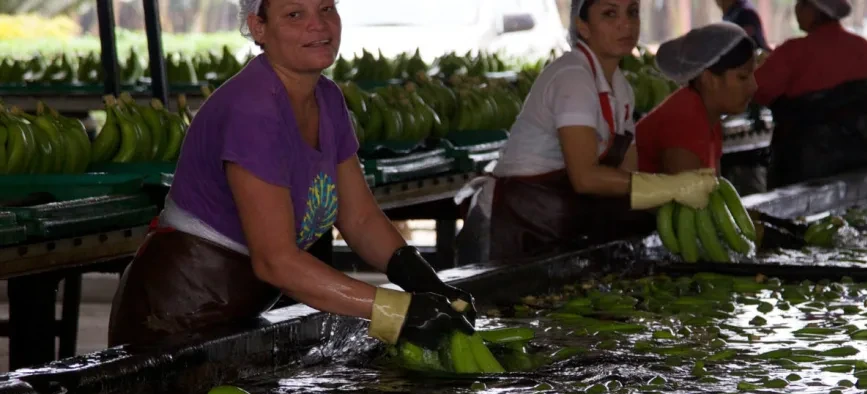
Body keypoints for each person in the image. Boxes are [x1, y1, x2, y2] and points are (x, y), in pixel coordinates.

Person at [108, 0, 475, 349]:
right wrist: (398, 313)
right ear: (258, 28)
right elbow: (276, 262)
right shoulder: (252, 110)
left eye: (327, 9)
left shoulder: (328, 99)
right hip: (172, 318)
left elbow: (359, 218)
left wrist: (425, 281)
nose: (319, 24)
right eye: (295, 14)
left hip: (235, 311)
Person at [455, 0, 719, 264]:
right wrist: (673, 186)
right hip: (508, 231)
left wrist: (682, 211)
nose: (625, 24)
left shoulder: (622, 90)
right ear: (583, 26)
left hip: (555, 231)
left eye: (633, 12)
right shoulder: (572, 76)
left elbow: (628, 180)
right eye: (609, 13)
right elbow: (585, 178)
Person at [752, 0, 867, 187]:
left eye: (800, 4)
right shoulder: (862, 47)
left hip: (806, 167)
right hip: (864, 160)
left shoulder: (794, 51)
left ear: (813, 10)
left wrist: (760, 66)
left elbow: (755, 89)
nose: (796, 10)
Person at [635, 23, 757, 175]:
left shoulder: (709, 117)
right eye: (743, 77)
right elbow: (686, 193)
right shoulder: (684, 121)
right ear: (709, 79)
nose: (754, 87)